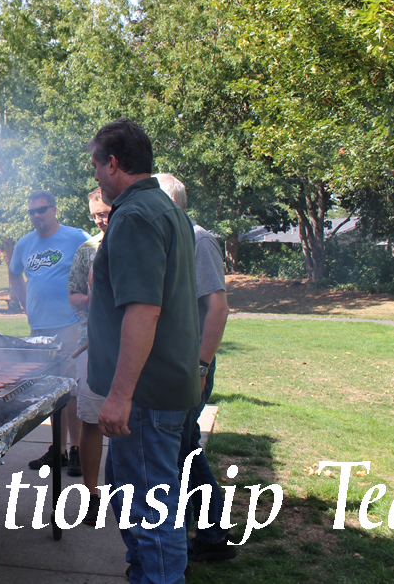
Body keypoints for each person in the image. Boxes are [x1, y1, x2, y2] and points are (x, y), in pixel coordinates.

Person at [85, 119, 200, 584]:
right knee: (135, 497)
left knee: (151, 511)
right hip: (162, 387)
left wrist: (119, 395)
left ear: (113, 163)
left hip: (146, 396)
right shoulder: (165, 208)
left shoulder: (133, 216)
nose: (94, 175)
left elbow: (144, 311)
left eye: (95, 165)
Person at [152, 173, 237, 564]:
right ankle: (209, 532)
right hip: (180, 365)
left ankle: (205, 535)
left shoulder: (199, 240)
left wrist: (201, 366)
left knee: (183, 452)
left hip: (193, 366)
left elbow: (217, 308)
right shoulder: (174, 237)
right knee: (185, 449)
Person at [9, 190, 90, 474]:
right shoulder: (24, 243)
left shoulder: (76, 237)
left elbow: (96, 265)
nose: (37, 216)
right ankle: (58, 449)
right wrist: (24, 303)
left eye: (42, 209)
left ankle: (77, 449)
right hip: (39, 328)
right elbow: (14, 273)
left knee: (73, 389)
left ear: (54, 210)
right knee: (52, 390)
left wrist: (86, 302)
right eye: (32, 211)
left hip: (69, 324)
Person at [64, 187, 111, 525]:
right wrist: (94, 300)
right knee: (91, 420)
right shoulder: (87, 249)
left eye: (105, 212)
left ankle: (131, 495)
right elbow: (73, 296)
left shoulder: (139, 243)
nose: (100, 219)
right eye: (95, 215)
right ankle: (92, 494)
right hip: (90, 344)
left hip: (131, 345)